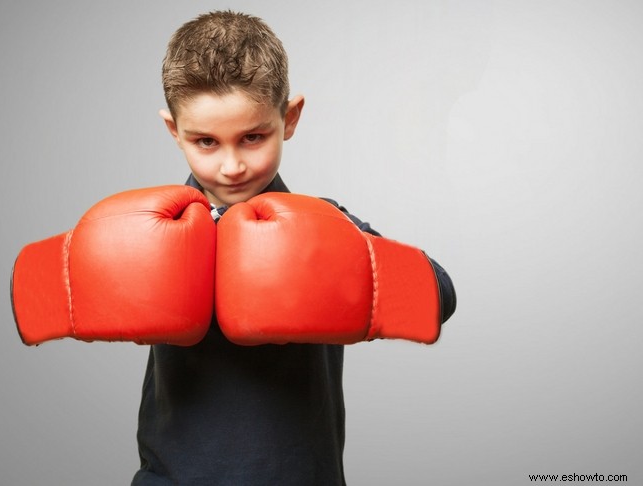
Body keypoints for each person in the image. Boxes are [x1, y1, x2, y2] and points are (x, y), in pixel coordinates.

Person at [124, 10, 456, 485]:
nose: (231, 165)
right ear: (174, 131)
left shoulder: (325, 224)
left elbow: (439, 296)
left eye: (252, 137)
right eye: (205, 142)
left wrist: (337, 258)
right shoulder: (151, 233)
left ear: (290, 117)